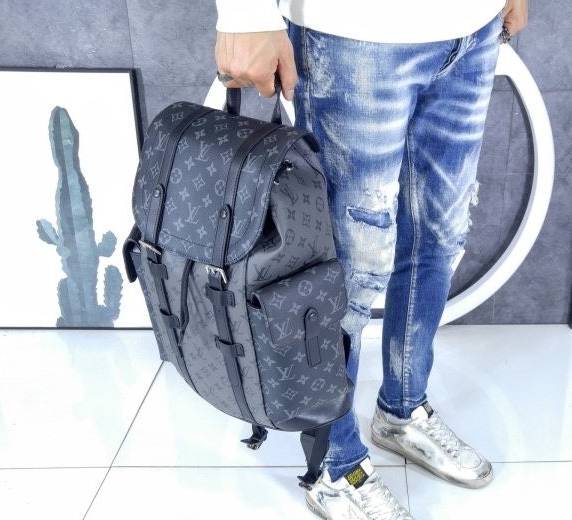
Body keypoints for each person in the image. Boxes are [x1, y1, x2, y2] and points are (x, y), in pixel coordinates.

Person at [215, 1, 528, 518]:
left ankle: (403, 410)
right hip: (354, 33)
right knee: (349, 268)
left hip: (472, 28)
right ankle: (336, 466)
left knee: (440, 235)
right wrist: (244, 14)